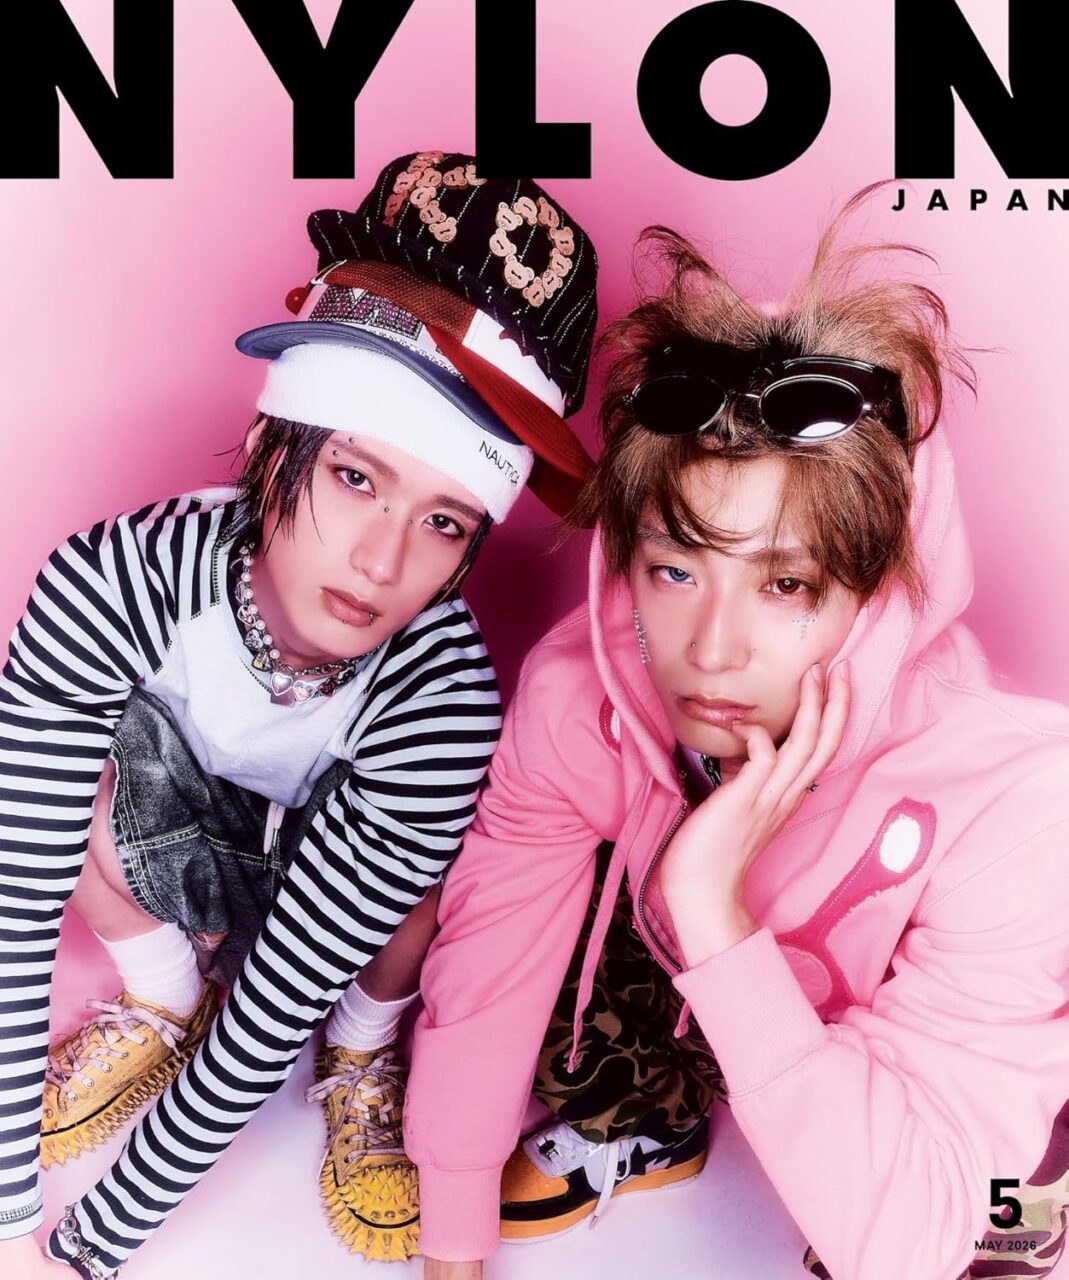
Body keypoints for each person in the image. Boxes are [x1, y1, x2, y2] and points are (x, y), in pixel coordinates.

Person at [407, 207, 1069, 1280]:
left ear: (880, 593)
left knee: (945, 1243)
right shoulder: (585, 689)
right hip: (753, 1011)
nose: (709, 651)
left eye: (786, 583)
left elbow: (905, 1245)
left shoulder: (1015, 797)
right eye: (674, 570)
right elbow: (494, 948)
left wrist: (712, 909)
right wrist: (451, 1233)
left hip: (981, 1094)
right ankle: (661, 1111)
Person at [0, 150, 600, 1277]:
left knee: (462, 836)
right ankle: (162, 995)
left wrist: (85, 1255)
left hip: (341, 911)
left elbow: (264, 1023)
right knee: (45, 768)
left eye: (443, 522)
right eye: (355, 478)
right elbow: (15, 904)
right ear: (275, 442)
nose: (380, 562)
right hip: (167, 848)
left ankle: (362, 1051)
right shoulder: (117, 577)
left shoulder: (441, 693)